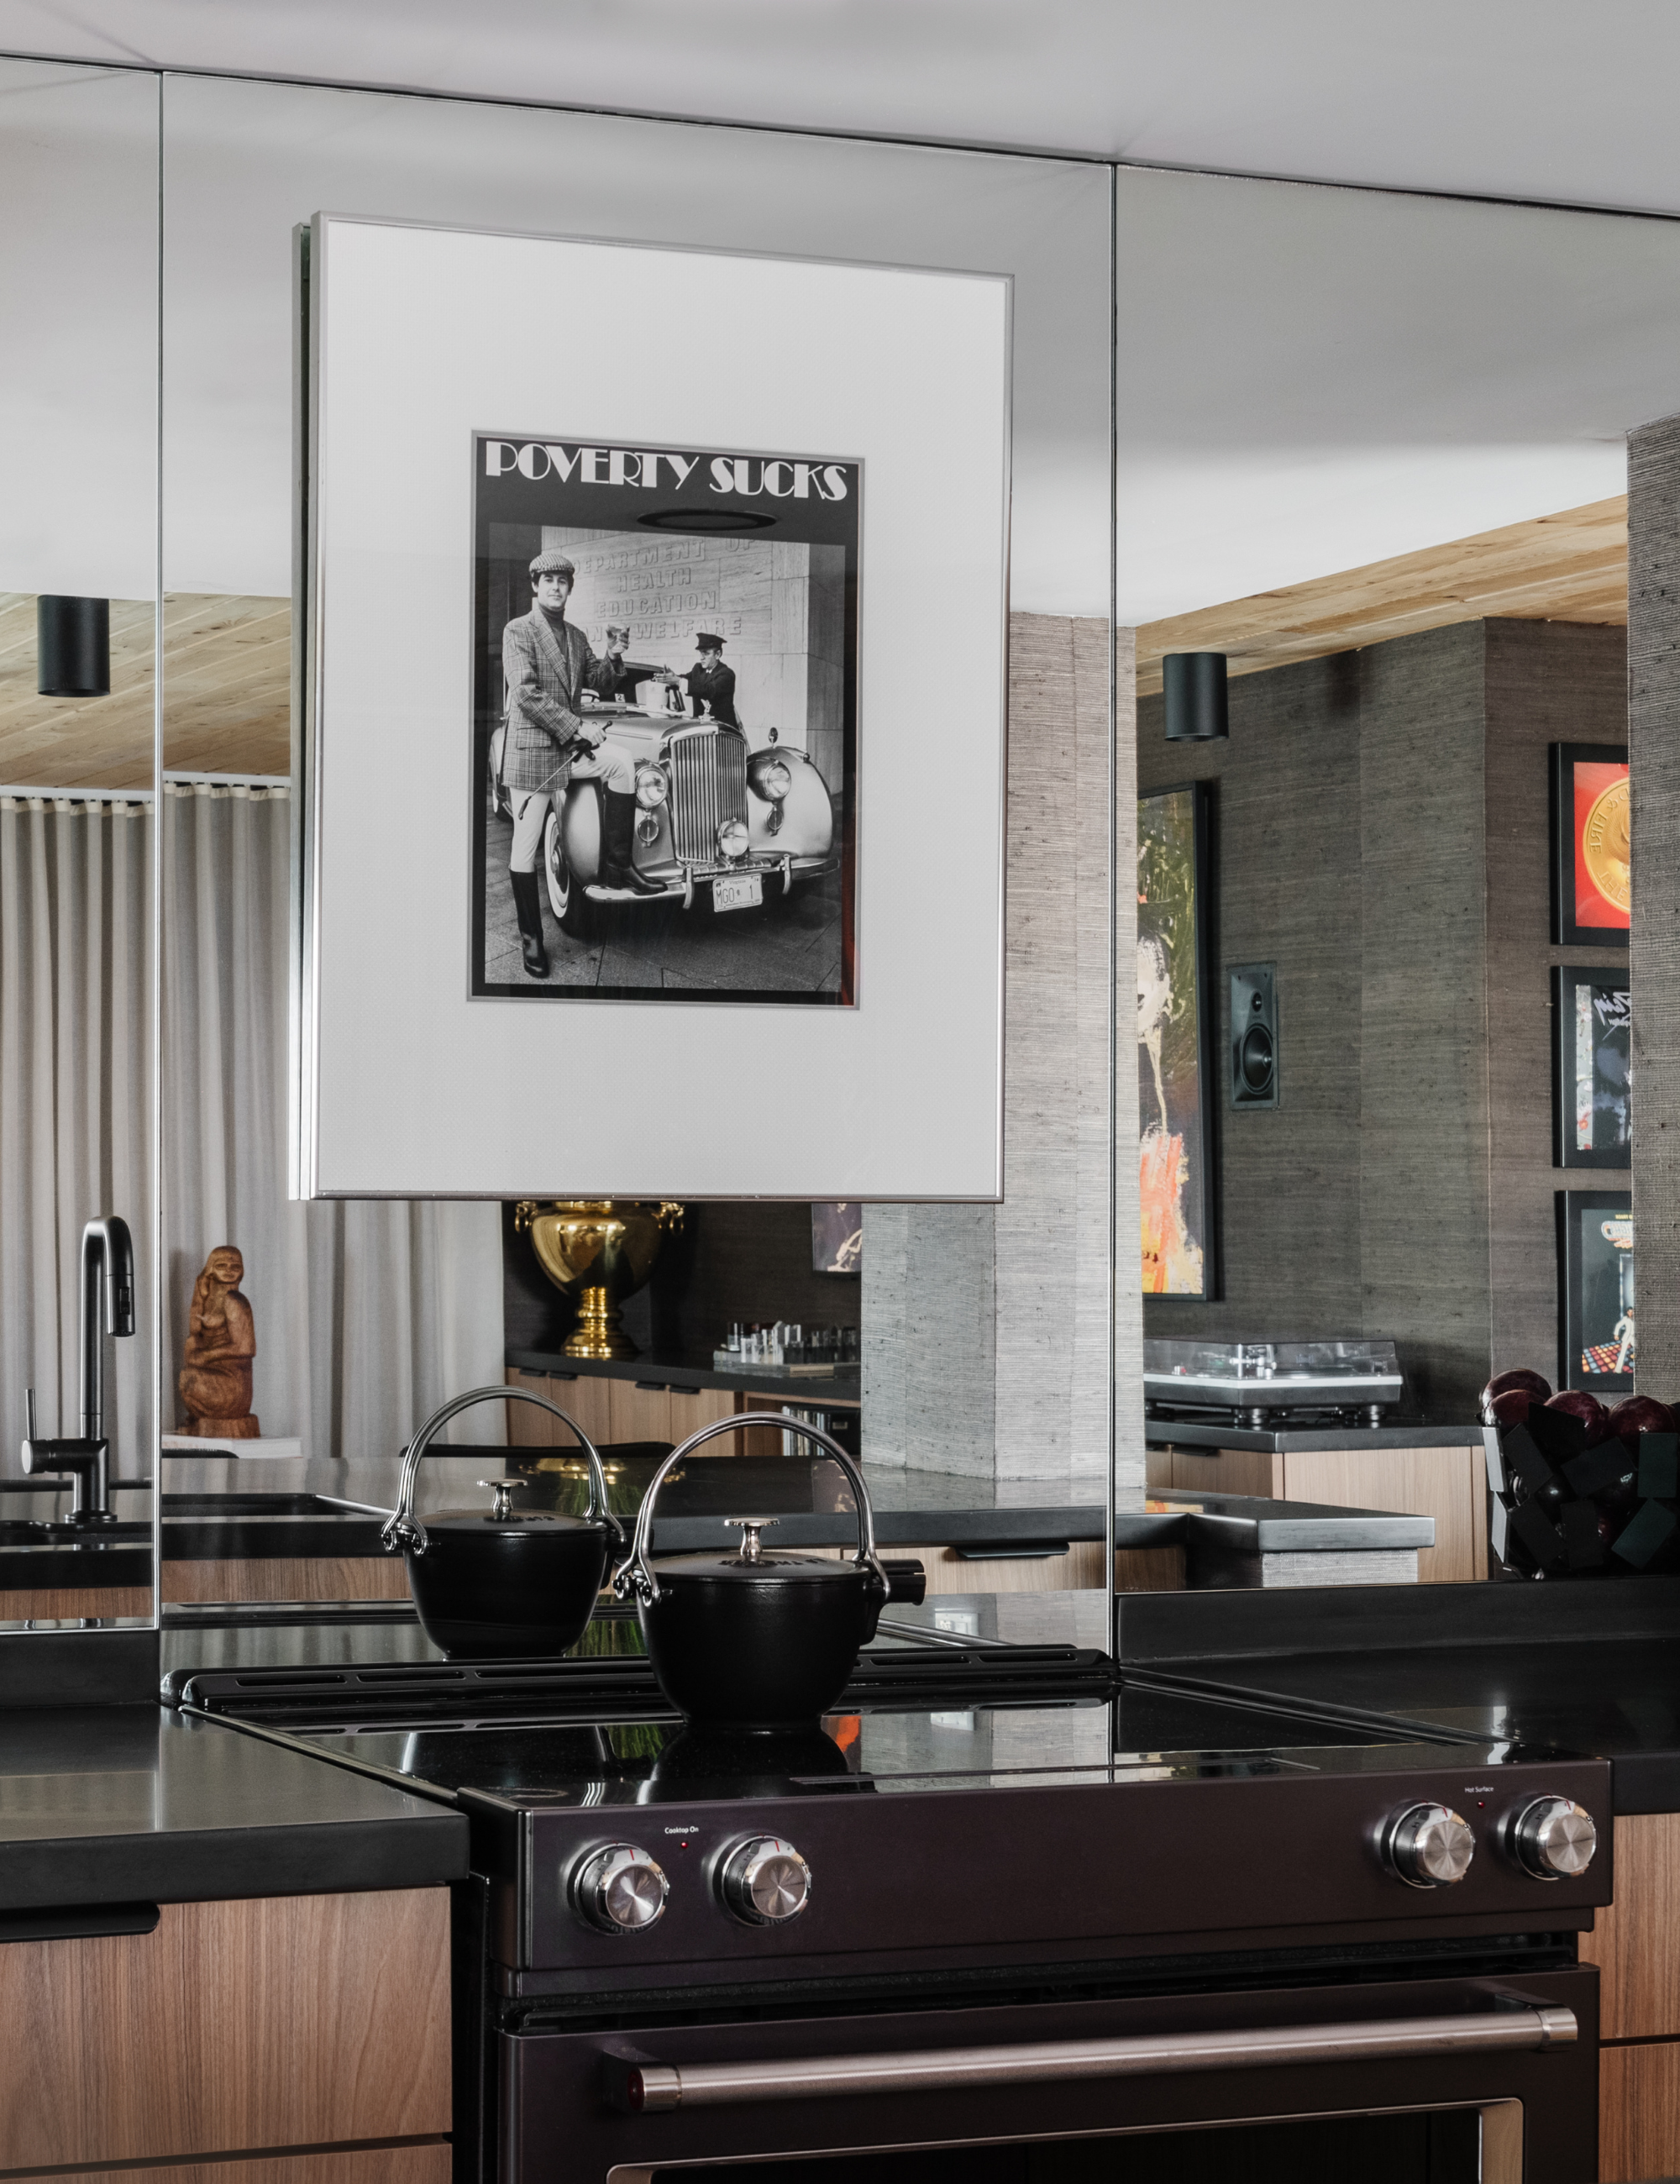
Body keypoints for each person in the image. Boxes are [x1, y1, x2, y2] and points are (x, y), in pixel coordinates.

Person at [500, 551, 659, 977]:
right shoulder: (518, 630)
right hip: (534, 755)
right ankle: (532, 941)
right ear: (535, 586)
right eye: (548, 579)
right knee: (525, 847)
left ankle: (620, 867)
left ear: (570, 588)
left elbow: (601, 682)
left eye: (563, 581)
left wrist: (613, 654)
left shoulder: (574, 635)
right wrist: (577, 727)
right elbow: (527, 695)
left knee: (623, 763)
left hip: (568, 752)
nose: (555, 587)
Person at [683, 631, 740, 728]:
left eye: (706, 653)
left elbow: (709, 690)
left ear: (717, 654)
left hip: (723, 732)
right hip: (700, 731)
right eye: (700, 653)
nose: (701, 658)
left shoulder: (727, 674)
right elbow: (684, 678)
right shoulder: (698, 669)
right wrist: (670, 677)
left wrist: (678, 681)